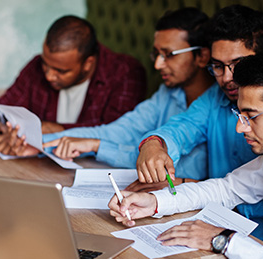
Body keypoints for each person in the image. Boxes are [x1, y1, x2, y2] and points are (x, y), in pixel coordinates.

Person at [110, 46, 263, 258]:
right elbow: (226, 189)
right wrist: (153, 202)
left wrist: (223, 240)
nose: (240, 127)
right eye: (240, 115)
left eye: (252, 116)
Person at [11, 7, 216, 188]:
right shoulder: (167, 94)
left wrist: (96, 146)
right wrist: (39, 142)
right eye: (156, 54)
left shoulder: (219, 105)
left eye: (169, 54)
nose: (158, 65)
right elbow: (119, 131)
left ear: (202, 57)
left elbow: (160, 166)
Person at [135, 5, 263, 251]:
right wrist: (154, 144)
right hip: (211, 228)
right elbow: (182, 127)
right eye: (218, 66)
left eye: (238, 64)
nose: (226, 78)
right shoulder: (214, 97)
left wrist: (185, 183)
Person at [0, 15, 147, 155]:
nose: (48, 75)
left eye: (61, 71)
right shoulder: (36, 66)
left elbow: (118, 133)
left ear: (88, 64)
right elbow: (2, 106)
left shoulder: (125, 73)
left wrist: (56, 129)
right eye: (46, 65)